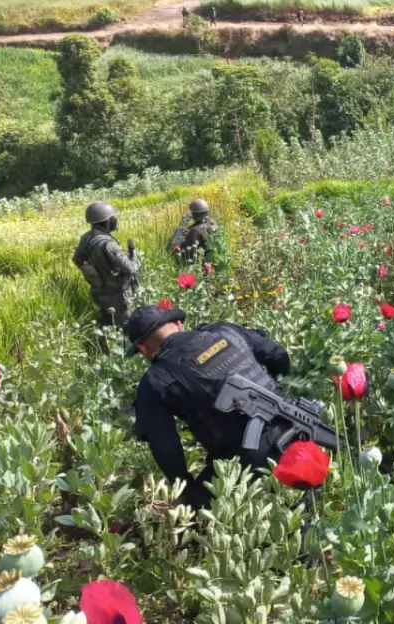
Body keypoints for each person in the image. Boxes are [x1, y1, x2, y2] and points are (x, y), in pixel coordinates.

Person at [123, 305, 293, 508]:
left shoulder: (153, 382)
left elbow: (166, 449)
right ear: (178, 324)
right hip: (293, 429)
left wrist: (186, 491)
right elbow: (278, 356)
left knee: (197, 513)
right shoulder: (226, 331)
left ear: (142, 349)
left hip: (244, 460)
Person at [73, 202, 139, 352]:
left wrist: (95, 272)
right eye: (112, 218)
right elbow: (130, 269)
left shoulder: (87, 238)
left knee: (106, 321)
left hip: (98, 291)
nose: (115, 220)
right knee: (125, 327)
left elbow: (77, 260)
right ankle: (127, 355)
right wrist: (135, 260)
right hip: (116, 293)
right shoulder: (109, 244)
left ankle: (103, 351)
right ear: (106, 221)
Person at [170, 198, 219, 264]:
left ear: (194, 214)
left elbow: (190, 252)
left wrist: (179, 246)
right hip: (213, 255)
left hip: (200, 261)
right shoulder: (213, 223)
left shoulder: (194, 231)